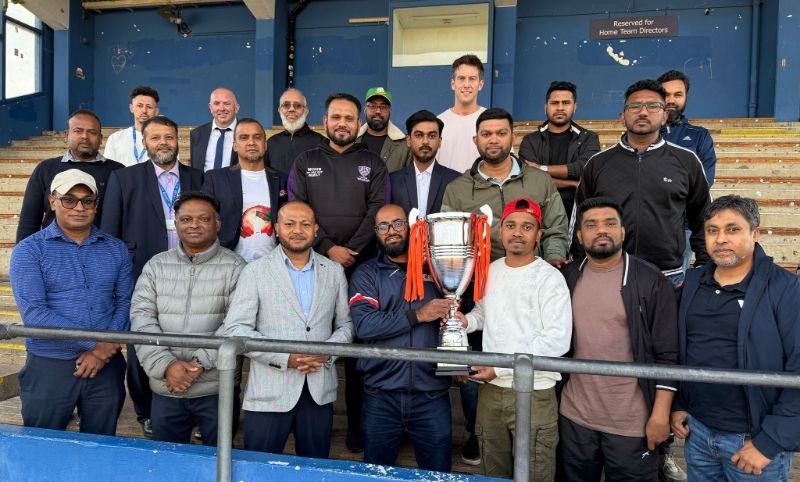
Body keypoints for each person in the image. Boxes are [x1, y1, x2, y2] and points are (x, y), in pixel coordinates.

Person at [671, 195, 800, 482]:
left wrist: (770, 441)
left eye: (732, 229)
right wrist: (678, 403)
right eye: (712, 230)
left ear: (755, 234)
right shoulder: (692, 283)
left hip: (753, 442)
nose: (721, 239)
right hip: (698, 433)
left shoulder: (786, 289)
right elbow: (682, 349)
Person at [288, 92, 387, 453]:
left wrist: (351, 251)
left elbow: (378, 209)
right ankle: (308, 424)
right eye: (336, 117)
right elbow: (297, 209)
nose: (342, 123)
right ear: (325, 121)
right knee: (314, 338)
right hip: (314, 264)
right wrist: (328, 247)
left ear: (358, 122)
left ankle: (357, 429)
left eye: (349, 118)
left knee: (358, 347)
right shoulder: (306, 160)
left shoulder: (372, 162)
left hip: (363, 267)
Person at [220, 201, 354, 458]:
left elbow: (346, 325)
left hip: (318, 390)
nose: (297, 230)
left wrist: (327, 352)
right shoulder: (255, 271)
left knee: (313, 469)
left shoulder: (334, 271)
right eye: (289, 224)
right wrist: (285, 357)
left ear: (316, 230)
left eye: (305, 224)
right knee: (259, 469)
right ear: (276, 228)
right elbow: (236, 328)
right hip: (269, 391)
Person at [559, 197, 678, 481]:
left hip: (632, 423)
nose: (602, 230)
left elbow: (668, 354)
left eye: (610, 223)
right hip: (575, 418)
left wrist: (660, 415)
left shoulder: (650, 280)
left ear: (623, 231)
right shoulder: (566, 278)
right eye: (591, 225)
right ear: (579, 235)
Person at [100, 115, 204, 437]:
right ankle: (145, 411)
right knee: (142, 346)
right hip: (142, 274)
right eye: (155, 137)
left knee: (190, 339)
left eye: (169, 137)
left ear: (178, 140)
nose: (163, 143)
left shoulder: (198, 178)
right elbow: (110, 233)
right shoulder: (124, 178)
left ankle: (191, 408)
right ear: (144, 142)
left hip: (193, 273)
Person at [457, 197, 572, 481]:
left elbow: (558, 340)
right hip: (491, 393)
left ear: (539, 235)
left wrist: (499, 368)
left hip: (534, 391)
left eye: (527, 227)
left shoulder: (550, 278)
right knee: (493, 473)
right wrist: (466, 322)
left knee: (535, 474)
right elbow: (483, 313)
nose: (517, 232)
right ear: (500, 232)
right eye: (511, 225)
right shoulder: (490, 270)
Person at [10, 169, 132, 436]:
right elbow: (35, 314)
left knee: (100, 444)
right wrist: (97, 345)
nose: (79, 207)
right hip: (50, 365)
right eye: (69, 199)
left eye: (87, 201)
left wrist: (103, 351)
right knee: (43, 444)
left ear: (96, 206)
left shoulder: (116, 249)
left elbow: (125, 303)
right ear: (52, 202)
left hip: (106, 368)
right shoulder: (29, 250)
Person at [131, 191, 245, 446]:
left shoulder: (236, 267)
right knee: (169, 461)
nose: (194, 225)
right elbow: (141, 319)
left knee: (218, 461)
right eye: (186, 219)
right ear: (176, 223)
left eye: (203, 219)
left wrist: (197, 365)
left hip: (216, 389)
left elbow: (237, 323)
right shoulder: (156, 266)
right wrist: (167, 366)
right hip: (166, 387)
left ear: (217, 223)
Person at [573, 79, 711, 286]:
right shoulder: (598, 164)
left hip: (668, 277)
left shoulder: (686, 161)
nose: (643, 112)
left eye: (653, 106)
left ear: (664, 116)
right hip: (609, 274)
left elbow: (703, 217)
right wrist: (579, 265)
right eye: (635, 106)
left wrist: (703, 266)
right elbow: (580, 219)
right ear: (622, 117)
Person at [349, 204, 454, 472]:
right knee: (377, 474)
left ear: (411, 227)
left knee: (437, 475)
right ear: (376, 232)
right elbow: (364, 326)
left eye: (398, 223)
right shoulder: (367, 273)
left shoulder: (439, 270)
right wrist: (418, 315)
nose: (391, 231)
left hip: (431, 394)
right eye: (383, 226)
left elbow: (456, 317)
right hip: (381, 394)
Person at [442, 107, 569, 264]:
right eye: (486, 134)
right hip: (480, 277)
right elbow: (448, 239)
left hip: (532, 273)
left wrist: (553, 258)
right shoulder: (457, 189)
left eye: (501, 134)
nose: (494, 140)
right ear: (476, 140)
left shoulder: (540, 180)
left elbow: (556, 228)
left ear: (513, 137)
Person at [16, 110, 124, 242]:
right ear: (66, 135)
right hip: (52, 247)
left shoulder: (118, 171)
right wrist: (23, 250)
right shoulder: (45, 169)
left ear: (101, 138)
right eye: (78, 131)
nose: (85, 136)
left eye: (92, 132)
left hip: (101, 249)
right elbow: (29, 219)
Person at [658, 70, 718, 290]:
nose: (671, 100)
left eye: (678, 94)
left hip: (682, 224)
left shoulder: (699, 136)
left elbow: (703, 181)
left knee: (672, 289)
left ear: (686, 98)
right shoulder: (643, 133)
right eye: (665, 94)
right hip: (644, 221)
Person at [202, 118, 288, 262]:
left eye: (257, 137)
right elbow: (205, 218)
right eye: (244, 137)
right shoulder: (216, 179)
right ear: (235, 145)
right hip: (229, 263)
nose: (251, 142)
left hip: (273, 264)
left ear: (265, 144)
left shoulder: (282, 179)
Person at [518, 81, 601, 215]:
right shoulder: (530, 141)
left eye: (566, 103)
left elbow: (584, 169)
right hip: (539, 212)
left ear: (575, 107)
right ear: (546, 107)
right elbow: (530, 178)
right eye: (555, 103)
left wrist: (542, 169)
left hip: (578, 212)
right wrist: (572, 184)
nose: (560, 108)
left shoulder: (589, 138)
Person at [389, 110, 460, 217]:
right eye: (419, 135)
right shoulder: (393, 181)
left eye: (431, 136)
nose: (425, 141)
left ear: (439, 141)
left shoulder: (455, 180)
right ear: (408, 140)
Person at [437, 54, 487, 174]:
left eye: (472, 79)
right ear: (453, 84)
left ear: (480, 84)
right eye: (461, 78)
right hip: (446, 186)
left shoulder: (492, 122)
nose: (466, 85)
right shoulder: (438, 122)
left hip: (481, 185)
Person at [265, 88, 325, 174]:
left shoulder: (321, 143)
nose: (291, 109)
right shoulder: (271, 143)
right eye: (286, 105)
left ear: (306, 111)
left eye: (298, 105)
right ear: (279, 110)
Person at [355, 86, 411, 173]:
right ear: (365, 110)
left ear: (390, 111)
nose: (378, 111)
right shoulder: (353, 140)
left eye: (383, 107)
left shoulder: (405, 145)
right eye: (372, 106)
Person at [103, 85, 161, 167]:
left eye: (149, 107)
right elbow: (108, 169)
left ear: (156, 111)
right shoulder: (115, 138)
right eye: (140, 106)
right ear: (131, 108)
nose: (144, 110)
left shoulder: (164, 140)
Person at [190, 87, 240, 171]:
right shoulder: (197, 134)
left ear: (237, 108)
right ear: (210, 107)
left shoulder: (247, 134)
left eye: (227, 103)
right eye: (216, 103)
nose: (221, 108)